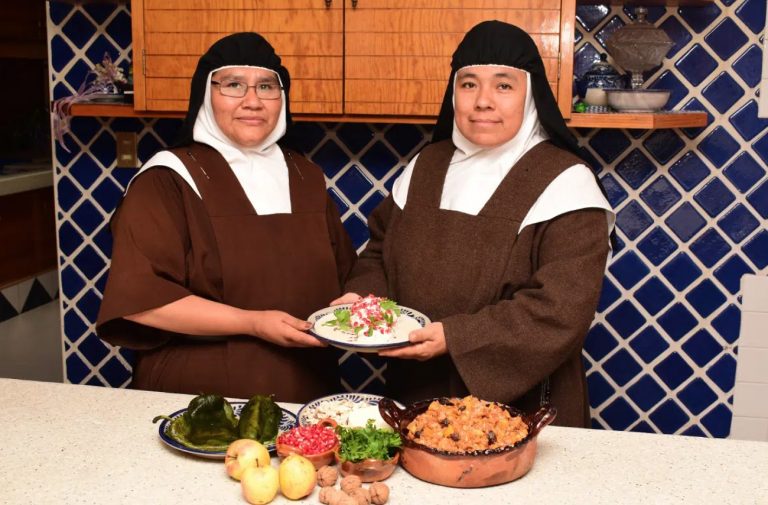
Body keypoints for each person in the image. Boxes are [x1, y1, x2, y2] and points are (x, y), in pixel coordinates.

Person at [336, 21, 615, 427]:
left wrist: (454, 338)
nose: (482, 101)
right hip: (416, 391)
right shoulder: (426, 166)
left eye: (503, 86)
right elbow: (379, 252)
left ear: (531, 96)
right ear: (454, 94)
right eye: (469, 85)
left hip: (523, 407)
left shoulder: (567, 181)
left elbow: (559, 312)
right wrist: (362, 301)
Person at [97, 32, 356, 403]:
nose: (253, 101)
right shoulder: (167, 178)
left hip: (308, 390)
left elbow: (344, 278)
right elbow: (142, 301)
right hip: (200, 397)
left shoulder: (305, 176)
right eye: (234, 85)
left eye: (266, 86)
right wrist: (253, 323)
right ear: (206, 94)